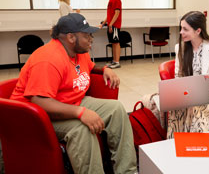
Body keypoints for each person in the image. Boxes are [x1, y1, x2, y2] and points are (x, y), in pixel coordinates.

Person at [10, 13, 137, 174]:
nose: (91, 39)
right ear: (71, 37)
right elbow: (39, 101)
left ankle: (127, 171)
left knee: (117, 109)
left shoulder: (79, 51)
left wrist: (105, 69)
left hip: (68, 103)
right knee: (82, 129)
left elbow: (89, 68)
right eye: (87, 35)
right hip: (36, 116)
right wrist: (80, 112)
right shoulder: (48, 59)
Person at [167, 11, 209, 139]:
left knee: (195, 109)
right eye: (181, 28)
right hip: (187, 94)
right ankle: (175, 144)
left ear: (198, 31)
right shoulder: (180, 47)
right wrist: (180, 96)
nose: (181, 32)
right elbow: (179, 76)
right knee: (161, 103)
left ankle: (196, 145)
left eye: (185, 29)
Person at [99, 0, 122, 69]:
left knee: (116, 42)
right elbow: (109, 15)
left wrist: (111, 24)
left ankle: (117, 62)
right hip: (111, 25)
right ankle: (114, 61)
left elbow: (117, 13)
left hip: (115, 25)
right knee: (113, 42)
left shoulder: (117, 0)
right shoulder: (110, 0)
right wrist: (103, 23)